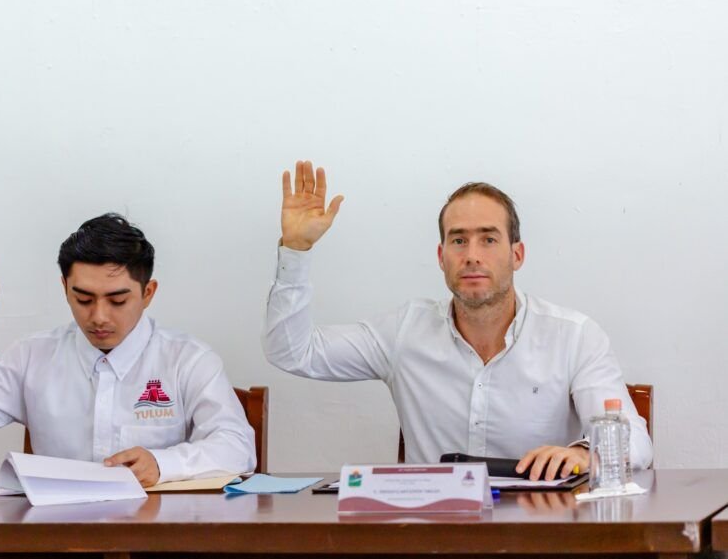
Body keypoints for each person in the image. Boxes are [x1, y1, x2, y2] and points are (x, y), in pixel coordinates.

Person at [263, 161, 653, 481]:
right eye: (458, 240)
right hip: (433, 538)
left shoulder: (574, 337)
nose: (472, 255)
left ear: (517, 255)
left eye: (488, 239)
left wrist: (584, 453)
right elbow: (292, 352)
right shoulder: (404, 333)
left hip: (541, 535)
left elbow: (635, 442)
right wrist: (296, 251)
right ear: (441, 256)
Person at [0, 213, 255, 486]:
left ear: (148, 292)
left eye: (118, 300)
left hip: (156, 539)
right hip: (57, 540)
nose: (99, 317)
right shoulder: (32, 357)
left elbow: (237, 448)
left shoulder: (188, 359)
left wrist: (162, 464)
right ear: (64, 287)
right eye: (83, 299)